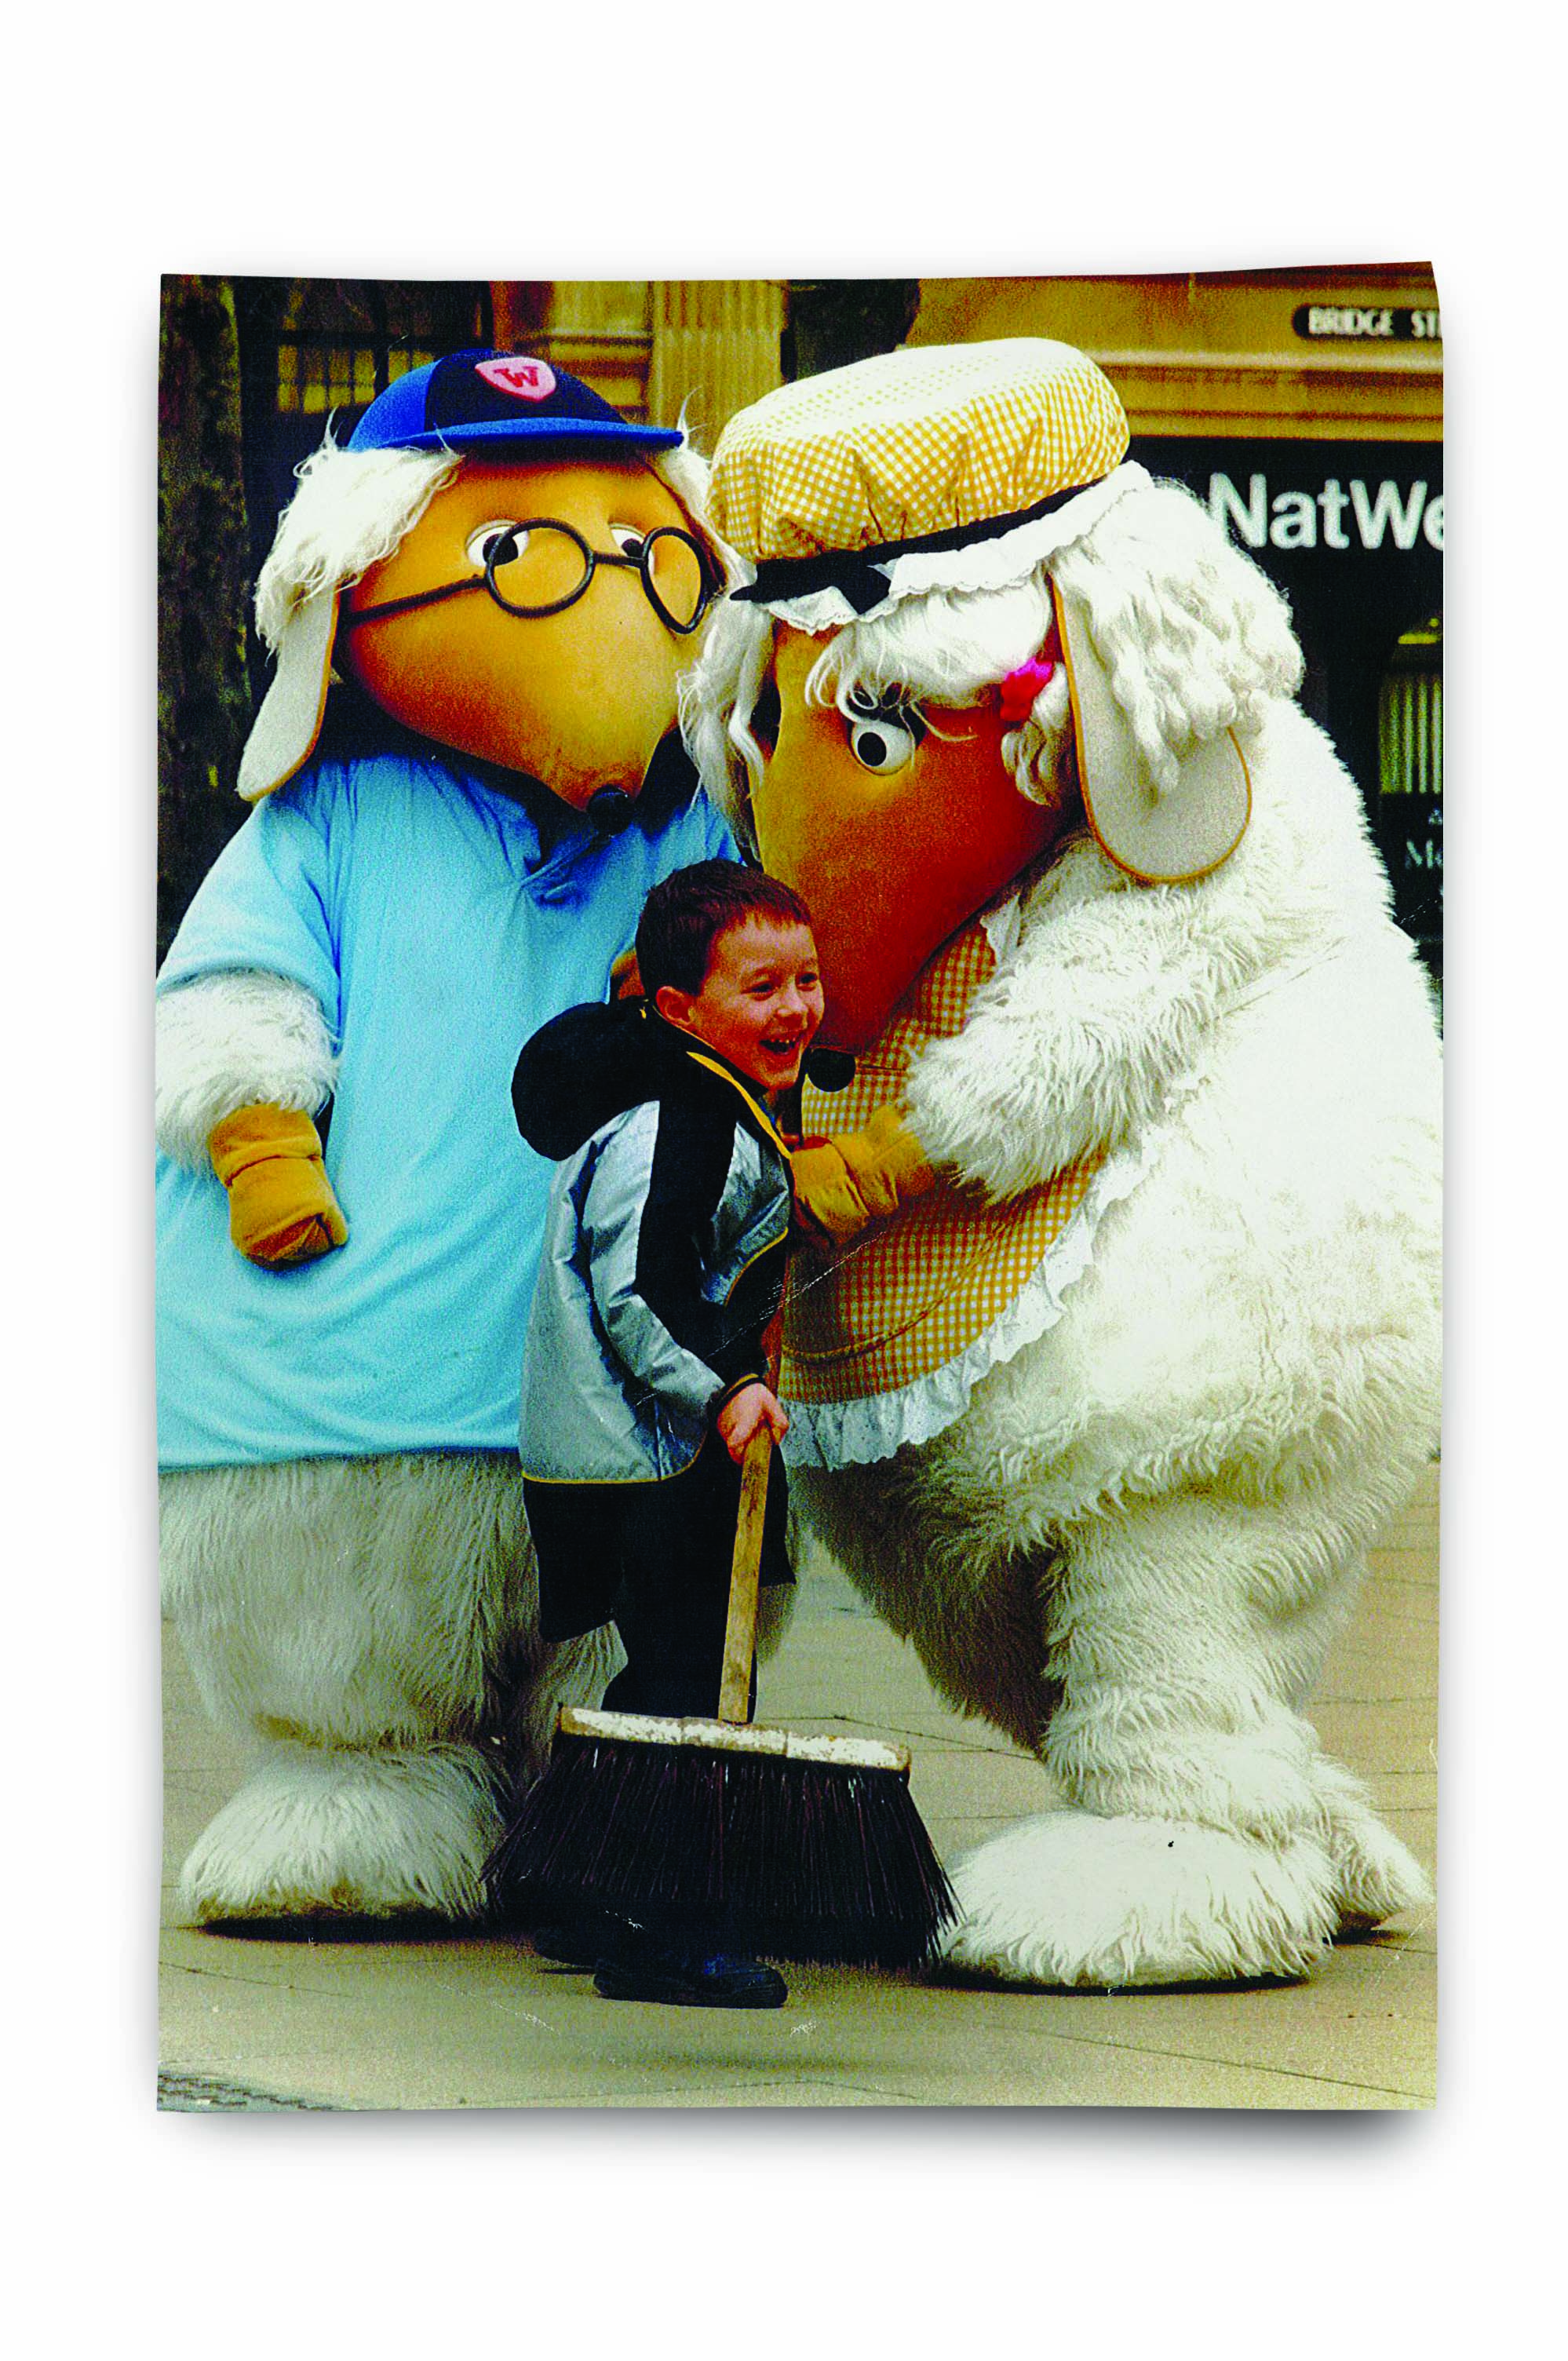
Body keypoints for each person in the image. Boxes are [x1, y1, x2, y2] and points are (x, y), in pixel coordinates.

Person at [508, 860, 826, 2006]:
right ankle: (659, 1927)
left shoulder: (705, 1100)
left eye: (805, 978)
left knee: (662, 1671)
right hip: (649, 1453)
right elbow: (640, 1290)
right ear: (682, 1009)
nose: (793, 1008)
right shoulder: (680, 1117)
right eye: (760, 989)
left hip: (636, 1444)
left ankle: (580, 1888)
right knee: (684, 1679)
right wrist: (726, 1388)